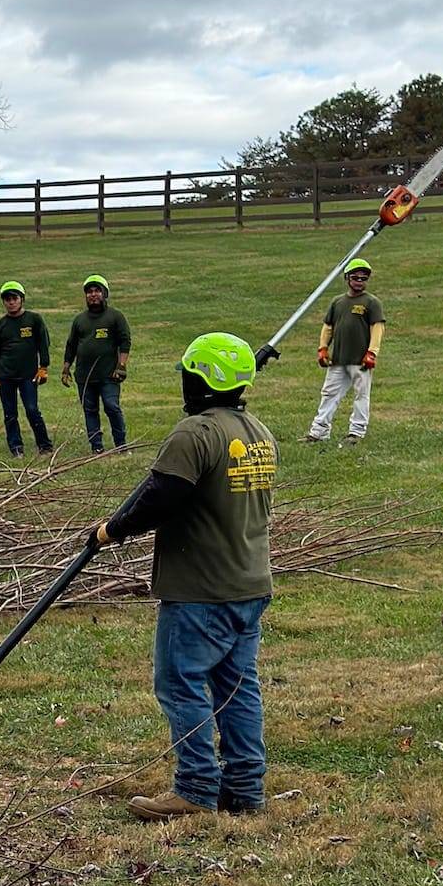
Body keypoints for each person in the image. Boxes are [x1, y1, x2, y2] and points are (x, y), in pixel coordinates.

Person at [92, 331, 278, 823]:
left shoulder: (194, 435)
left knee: (180, 683)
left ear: (202, 380)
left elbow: (160, 497)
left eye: (189, 375)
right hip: (249, 583)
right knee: (237, 687)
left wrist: (112, 530)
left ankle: (195, 787)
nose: (184, 383)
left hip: (200, 589)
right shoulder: (257, 431)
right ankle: (244, 788)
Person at [309, 261, 383, 442]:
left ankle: (356, 432)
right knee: (329, 393)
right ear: (347, 278)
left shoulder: (371, 302)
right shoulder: (338, 302)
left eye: (363, 278)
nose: (359, 281)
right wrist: (323, 348)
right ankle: (318, 432)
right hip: (339, 359)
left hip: (361, 361)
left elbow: (377, 328)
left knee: (361, 395)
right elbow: (328, 327)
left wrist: (372, 352)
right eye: (355, 277)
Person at [64, 275, 131, 454]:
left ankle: (121, 445)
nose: (93, 295)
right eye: (89, 292)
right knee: (90, 410)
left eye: (97, 291)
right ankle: (97, 447)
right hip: (84, 376)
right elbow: (71, 345)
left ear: (104, 294)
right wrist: (66, 368)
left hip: (109, 375)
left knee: (112, 406)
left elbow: (125, 342)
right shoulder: (80, 320)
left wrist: (122, 365)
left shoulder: (115, 317)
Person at [0, 281, 52, 456]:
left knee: (32, 409)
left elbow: (43, 344)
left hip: (28, 375)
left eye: (14, 298)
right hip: (6, 376)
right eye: (7, 299)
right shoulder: (0, 326)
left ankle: (44, 445)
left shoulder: (34, 320)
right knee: (10, 414)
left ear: (22, 299)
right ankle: (16, 447)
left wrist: (43, 367)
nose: (11, 302)